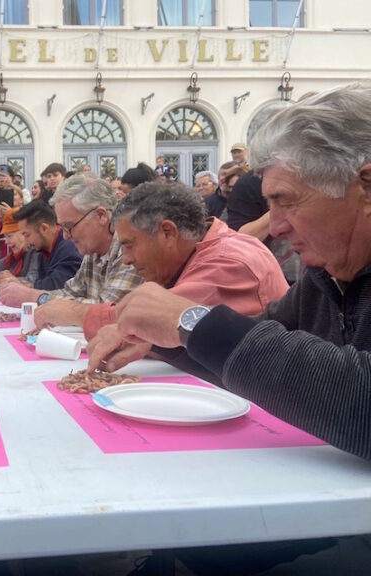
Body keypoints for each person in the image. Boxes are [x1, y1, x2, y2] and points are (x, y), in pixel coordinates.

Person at [94, 83, 371, 576]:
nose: (274, 225)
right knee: (181, 526)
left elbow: (362, 399)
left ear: (365, 187)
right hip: (328, 502)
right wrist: (169, 338)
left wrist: (188, 321)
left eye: (286, 201)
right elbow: (255, 343)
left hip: (350, 531)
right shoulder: (326, 275)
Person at [83, 180, 289, 371]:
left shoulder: (229, 263)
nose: (126, 259)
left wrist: (69, 312)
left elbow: (143, 318)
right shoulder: (205, 250)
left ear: (168, 233)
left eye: (129, 245)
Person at [17, 175, 143, 329]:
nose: (65, 235)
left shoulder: (129, 248)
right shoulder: (92, 250)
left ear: (101, 215)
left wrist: (36, 296)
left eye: (69, 226)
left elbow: (109, 311)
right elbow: (71, 291)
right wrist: (44, 299)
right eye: (62, 227)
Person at [0, 199, 82, 307]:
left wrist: (23, 288)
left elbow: (56, 286)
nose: (25, 241)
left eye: (27, 235)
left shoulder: (69, 248)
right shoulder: (43, 249)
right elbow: (41, 282)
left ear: (44, 228)